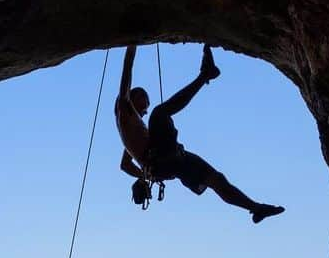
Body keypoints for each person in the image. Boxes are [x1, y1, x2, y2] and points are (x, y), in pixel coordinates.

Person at [115, 44, 284, 223]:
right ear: (131, 99)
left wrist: (143, 176)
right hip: (160, 161)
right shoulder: (124, 112)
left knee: (216, 179)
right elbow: (126, 72)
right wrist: (132, 44)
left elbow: (125, 164)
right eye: (143, 105)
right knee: (159, 114)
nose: (144, 112)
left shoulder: (136, 131)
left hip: (174, 161)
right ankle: (205, 75)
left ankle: (256, 208)